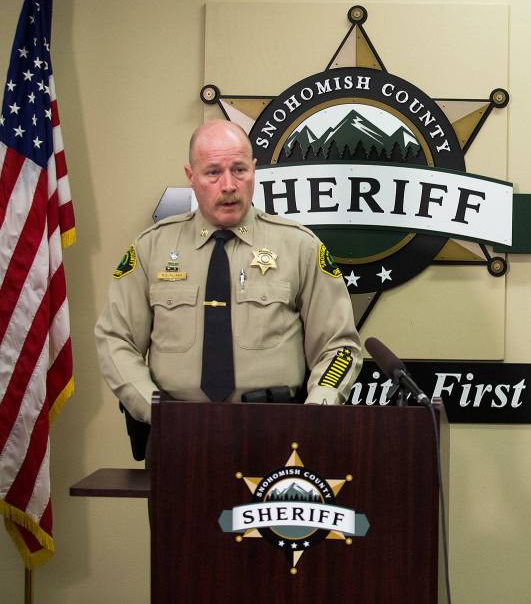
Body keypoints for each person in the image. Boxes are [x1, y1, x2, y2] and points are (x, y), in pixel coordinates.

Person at [95, 120, 362, 425]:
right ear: (190, 176)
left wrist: (317, 412)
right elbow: (116, 338)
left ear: (253, 170)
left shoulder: (299, 247)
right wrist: (153, 409)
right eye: (213, 172)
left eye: (239, 170)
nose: (229, 185)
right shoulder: (151, 249)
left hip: (277, 429)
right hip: (175, 431)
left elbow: (339, 347)